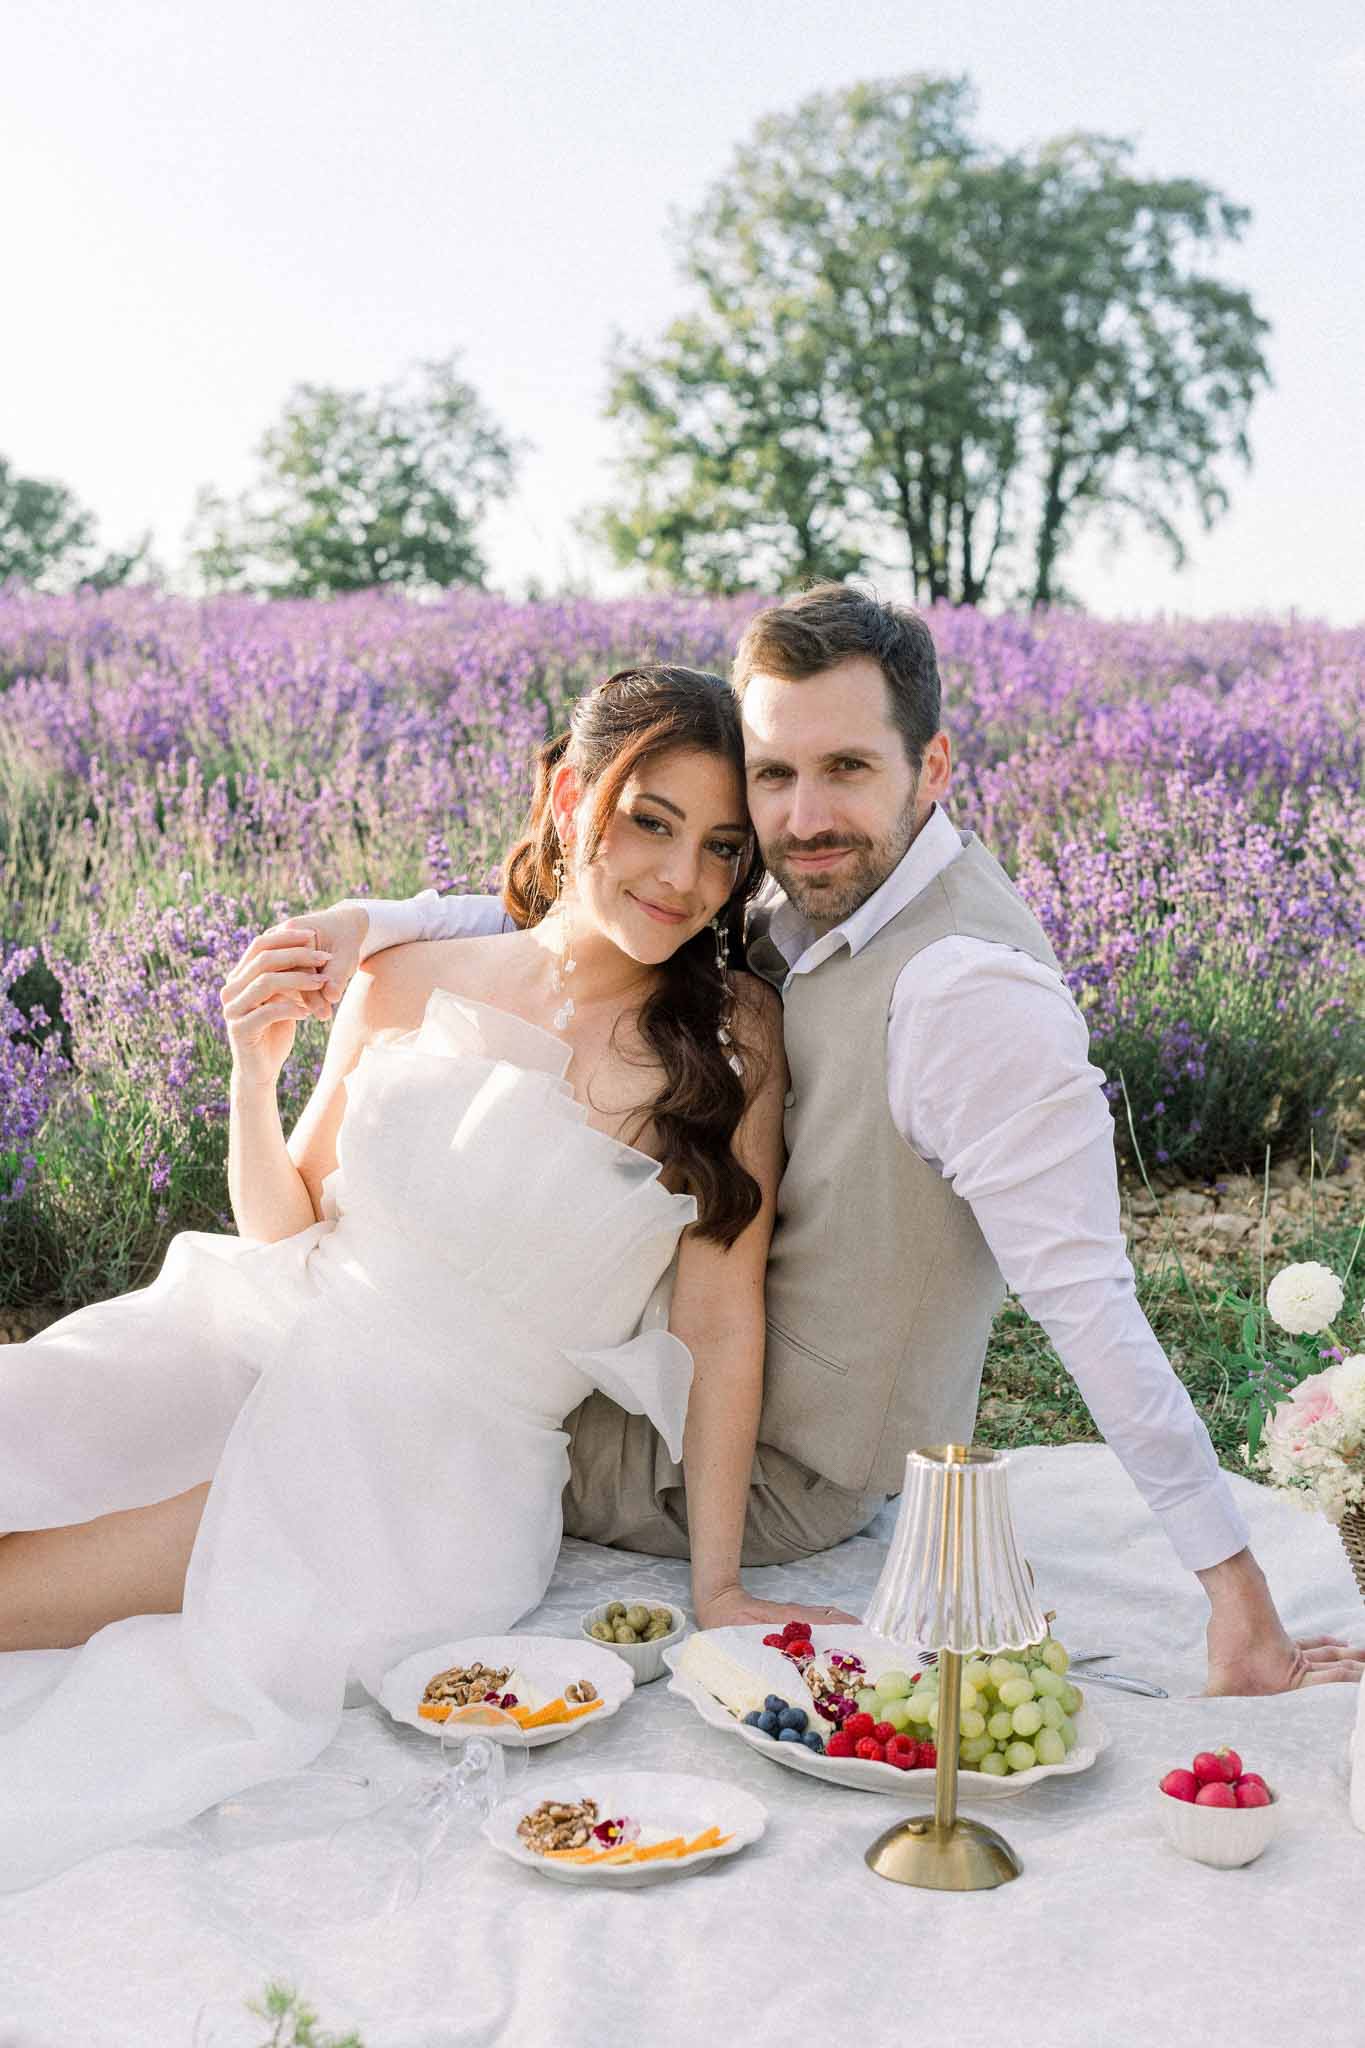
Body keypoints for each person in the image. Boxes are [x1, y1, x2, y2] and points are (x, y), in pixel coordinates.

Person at [294, 584, 1363, 1697]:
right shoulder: (816, 885)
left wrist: (1238, 1598)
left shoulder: (970, 998)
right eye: (772, 774)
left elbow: (1091, 1303)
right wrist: (381, 924)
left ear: (932, 766)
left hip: (754, 1470)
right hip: (671, 1372)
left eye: (847, 767)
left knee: (365, 1388)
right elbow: (583, 924)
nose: (801, 816)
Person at [0, 663, 803, 1893]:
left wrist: (720, 1579)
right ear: (568, 791)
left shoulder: (730, 1038)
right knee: (28, 1419)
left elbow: (721, 1318)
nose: (683, 878)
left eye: (720, 848)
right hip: (269, 1321)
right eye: (652, 821)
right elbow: (284, 1223)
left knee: (42, 1587)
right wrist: (250, 1076)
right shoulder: (408, 977)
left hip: (429, 1462)